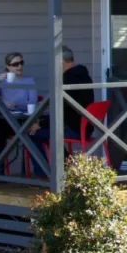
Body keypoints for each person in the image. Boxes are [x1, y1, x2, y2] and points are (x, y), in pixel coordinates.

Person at [28, 46, 96, 176]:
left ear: (61, 62)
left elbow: (60, 113)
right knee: (47, 133)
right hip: (85, 127)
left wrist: (41, 123)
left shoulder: (65, 81)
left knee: (32, 135)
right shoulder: (84, 76)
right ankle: (68, 166)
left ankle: (43, 174)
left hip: (73, 128)